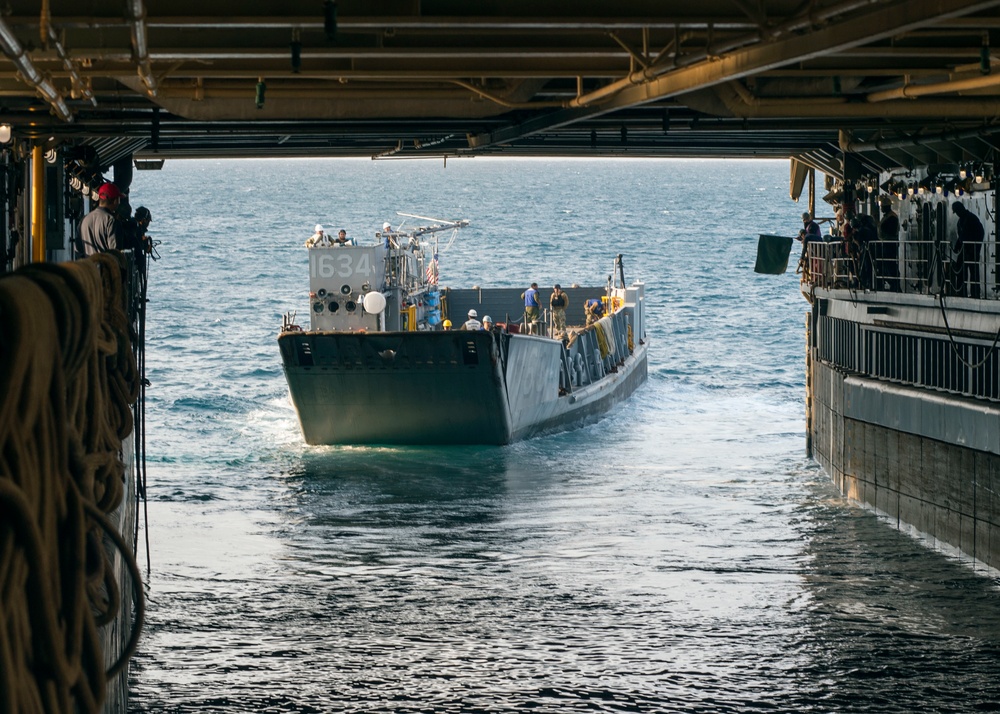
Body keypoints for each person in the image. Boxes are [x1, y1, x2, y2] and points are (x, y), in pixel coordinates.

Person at [78, 182, 124, 256]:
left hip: (88, 265)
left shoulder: (84, 219)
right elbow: (115, 252)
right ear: (115, 201)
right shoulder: (111, 221)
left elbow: (78, 248)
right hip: (106, 266)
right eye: (119, 199)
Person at [952, 202, 986, 297]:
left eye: (957, 211)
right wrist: (957, 247)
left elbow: (980, 233)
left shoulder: (971, 219)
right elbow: (961, 237)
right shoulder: (961, 221)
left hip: (972, 250)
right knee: (961, 271)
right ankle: (961, 292)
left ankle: (975, 293)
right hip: (964, 250)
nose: (957, 214)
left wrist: (975, 248)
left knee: (974, 272)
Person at [877, 196, 900, 291]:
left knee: (890, 265)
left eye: (882, 207)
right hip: (885, 243)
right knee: (886, 265)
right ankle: (891, 283)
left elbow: (889, 230)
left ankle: (895, 285)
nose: (881, 208)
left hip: (890, 244)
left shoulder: (892, 217)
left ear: (887, 207)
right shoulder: (887, 216)